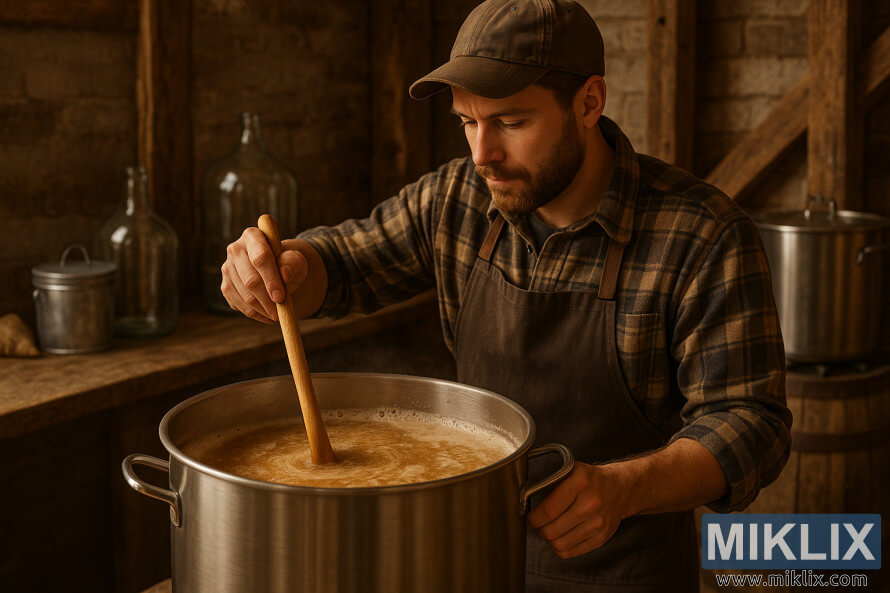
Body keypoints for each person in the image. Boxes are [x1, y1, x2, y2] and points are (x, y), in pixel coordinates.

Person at [220, 0, 793, 590]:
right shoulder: (455, 199)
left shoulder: (701, 233)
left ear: (590, 102)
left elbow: (751, 423)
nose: (481, 153)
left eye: (511, 122)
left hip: (623, 573)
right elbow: (341, 265)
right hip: (465, 562)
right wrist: (280, 268)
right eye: (468, 122)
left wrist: (624, 489)